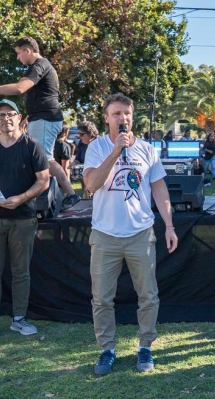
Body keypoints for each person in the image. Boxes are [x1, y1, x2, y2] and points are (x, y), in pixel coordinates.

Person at [82, 93, 178, 375]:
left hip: (140, 234)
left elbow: (159, 190)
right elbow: (91, 185)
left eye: (126, 113)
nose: (122, 118)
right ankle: (107, 349)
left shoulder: (147, 149)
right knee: (101, 298)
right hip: (105, 235)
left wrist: (169, 226)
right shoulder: (97, 147)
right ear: (106, 118)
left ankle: (145, 346)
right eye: (116, 114)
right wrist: (116, 151)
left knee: (148, 295)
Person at [0, 100, 51, 342]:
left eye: (10, 114)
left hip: (22, 217)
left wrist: (21, 198)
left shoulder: (32, 146)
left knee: (21, 272)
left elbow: (44, 180)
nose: (5, 118)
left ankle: (19, 319)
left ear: (19, 118)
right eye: (0, 115)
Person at [0, 36, 80, 209]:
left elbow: (19, 88)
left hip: (45, 119)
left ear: (28, 51)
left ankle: (71, 194)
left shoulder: (39, 66)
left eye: (19, 53)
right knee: (43, 158)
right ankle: (61, 194)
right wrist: (28, 118)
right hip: (41, 117)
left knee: (45, 159)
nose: (18, 58)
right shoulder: (43, 66)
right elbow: (42, 96)